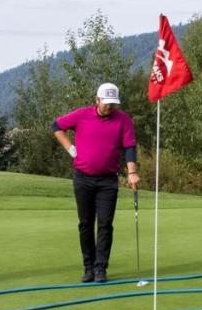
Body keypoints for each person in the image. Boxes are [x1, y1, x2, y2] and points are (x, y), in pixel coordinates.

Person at [52, 81, 140, 283]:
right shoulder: (82, 114)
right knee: (85, 224)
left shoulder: (123, 120)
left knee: (105, 224)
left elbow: (129, 147)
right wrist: (70, 148)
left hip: (108, 181)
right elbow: (56, 126)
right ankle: (88, 267)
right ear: (97, 100)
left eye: (113, 103)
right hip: (82, 178)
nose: (109, 107)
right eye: (106, 102)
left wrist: (132, 172)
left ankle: (101, 268)